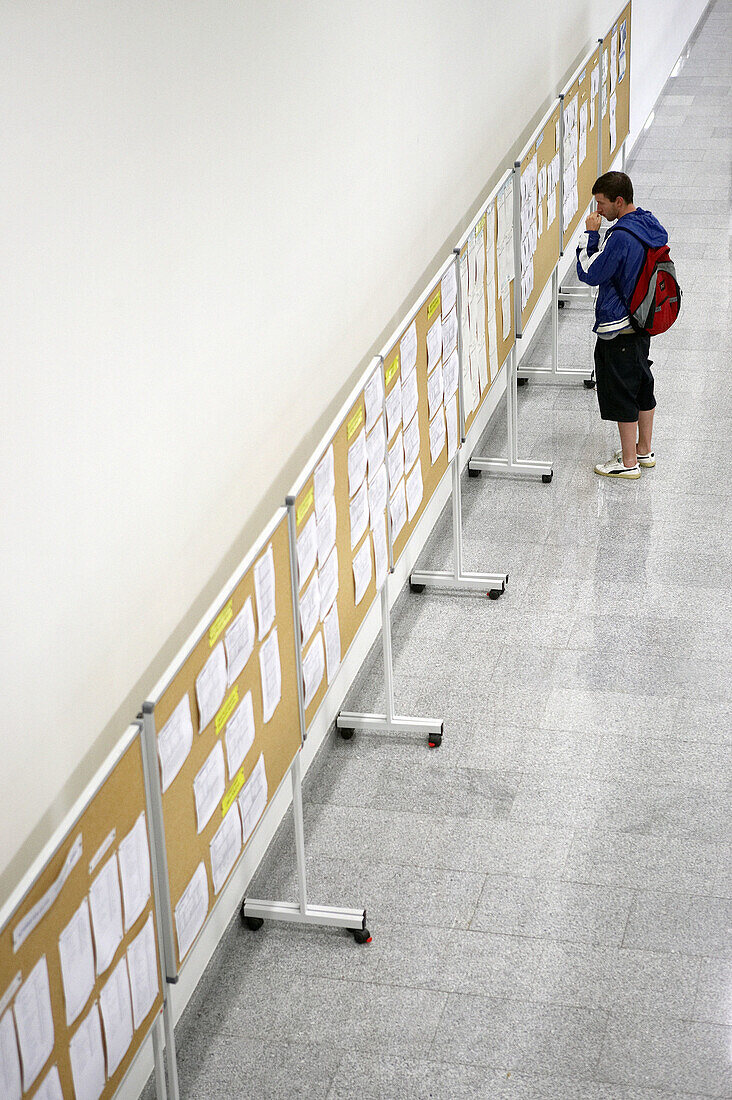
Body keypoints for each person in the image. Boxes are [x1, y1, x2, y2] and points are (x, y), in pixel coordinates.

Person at [576, 171, 668, 479]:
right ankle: (644, 449)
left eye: (601, 203)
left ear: (618, 201)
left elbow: (590, 272)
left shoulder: (620, 237)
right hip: (643, 321)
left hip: (620, 326)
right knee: (642, 384)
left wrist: (588, 236)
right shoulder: (647, 224)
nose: (598, 211)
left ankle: (628, 463)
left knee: (622, 391)